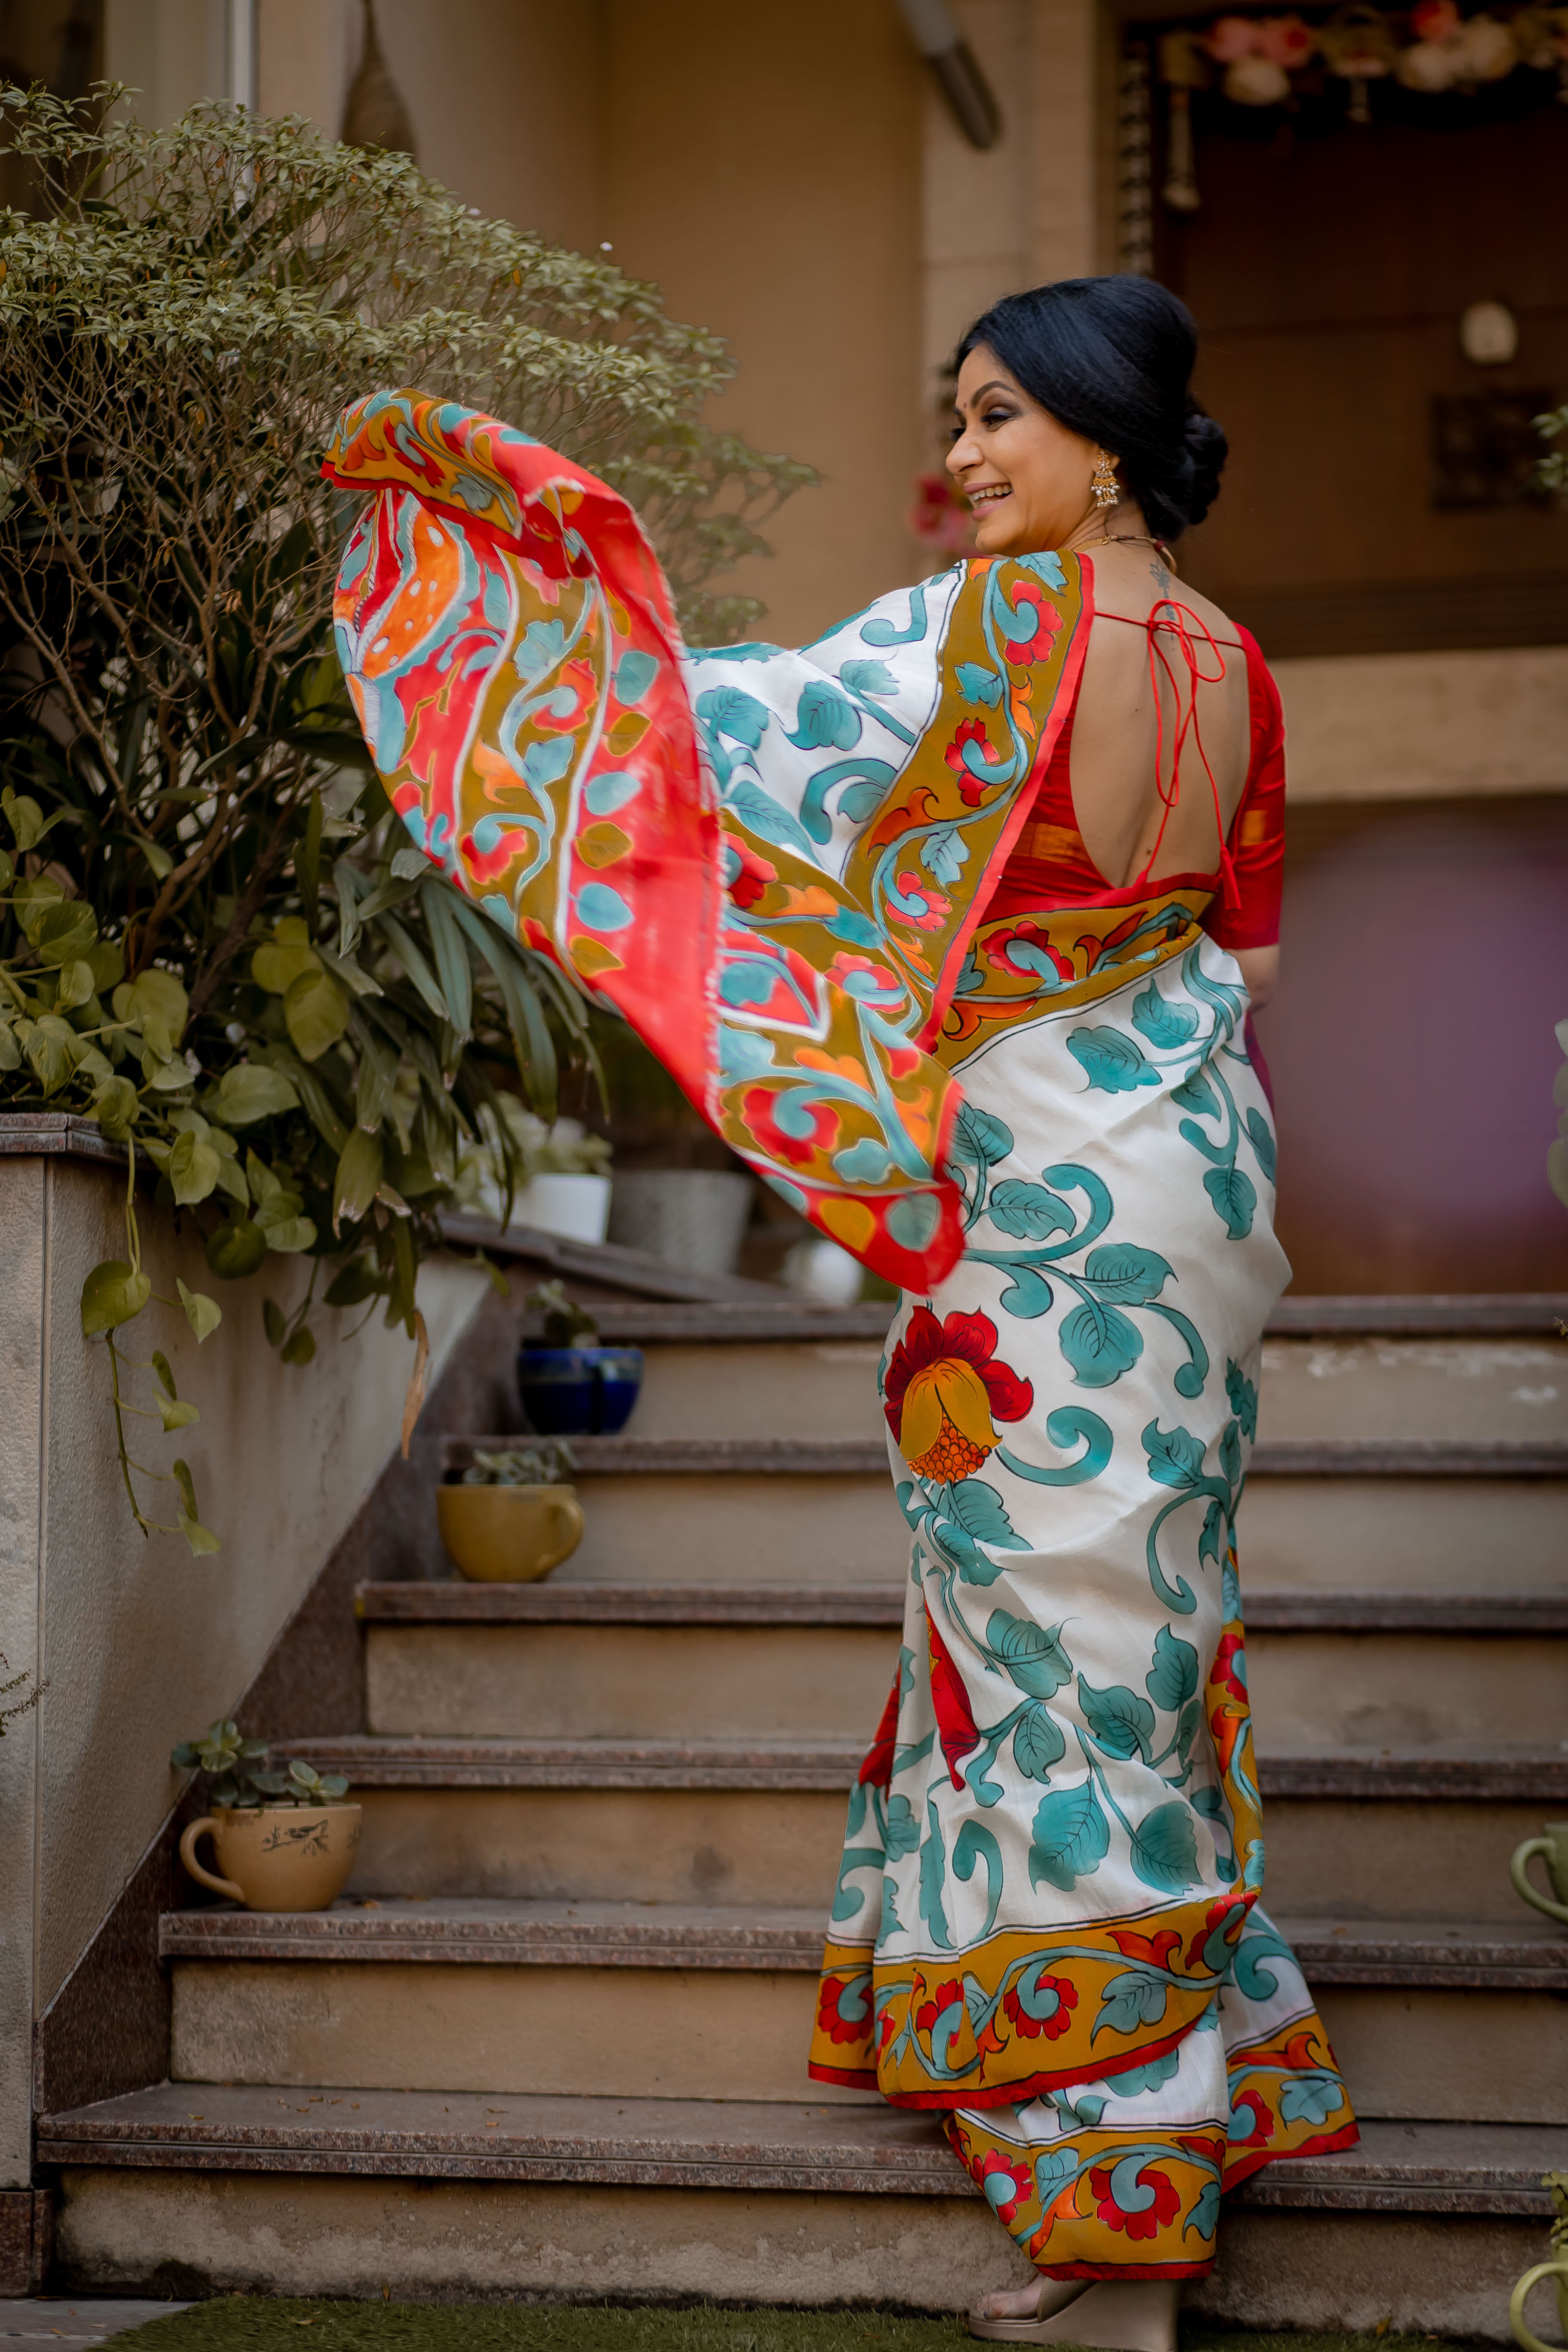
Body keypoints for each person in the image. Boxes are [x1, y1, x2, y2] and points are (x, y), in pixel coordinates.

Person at [325, 273, 1356, 2352]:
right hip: (1200, 1171)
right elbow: (1235, 950)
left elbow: (703, 741)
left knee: (1056, 1655)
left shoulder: (992, 630)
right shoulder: (1239, 662)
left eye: (999, 418)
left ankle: (1121, 2217)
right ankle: (1190, 2073)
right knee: (1138, 1611)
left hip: (1047, 1190)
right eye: (957, 417)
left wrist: (491, 598)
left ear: (1104, 435)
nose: (965, 458)